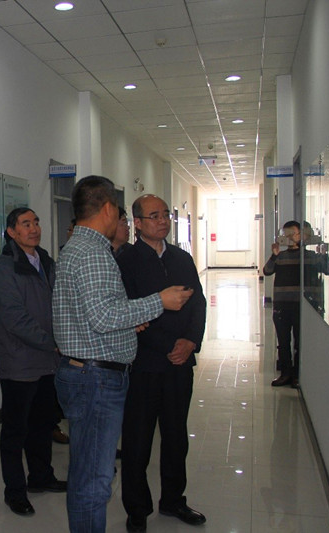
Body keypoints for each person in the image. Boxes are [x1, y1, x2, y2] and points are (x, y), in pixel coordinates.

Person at [53, 176, 192, 533]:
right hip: (96, 379)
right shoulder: (94, 253)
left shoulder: (76, 248)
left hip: (84, 371)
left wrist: (129, 321)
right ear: (107, 209)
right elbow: (102, 317)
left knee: (86, 473)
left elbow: (91, 314)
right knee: (94, 481)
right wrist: (158, 302)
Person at [117, 194, 207, 532]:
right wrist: (170, 345)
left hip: (180, 365)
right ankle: (137, 509)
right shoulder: (126, 262)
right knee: (138, 441)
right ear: (138, 223)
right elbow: (129, 311)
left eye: (165, 214)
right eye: (154, 215)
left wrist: (190, 341)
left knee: (175, 436)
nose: (163, 220)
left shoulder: (182, 258)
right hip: (144, 365)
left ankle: (173, 500)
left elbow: (198, 304)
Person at [0, 207, 66, 517]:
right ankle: (15, 491)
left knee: (42, 425)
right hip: (19, 363)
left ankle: (41, 477)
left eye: (36, 222)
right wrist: (52, 342)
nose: (33, 229)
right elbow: (13, 318)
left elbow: (60, 304)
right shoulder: (5, 269)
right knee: (15, 432)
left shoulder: (45, 262)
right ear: (11, 232)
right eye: (25, 224)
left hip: (48, 361)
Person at [263, 220, 329, 388]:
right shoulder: (280, 256)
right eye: (287, 234)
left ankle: (298, 375)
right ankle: (285, 373)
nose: (290, 237)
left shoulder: (310, 256)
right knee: (283, 342)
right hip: (282, 306)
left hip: (303, 306)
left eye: (294, 234)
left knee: (300, 342)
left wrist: (323, 253)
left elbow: (327, 269)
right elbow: (267, 271)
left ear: (303, 235)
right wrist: (274, 254)